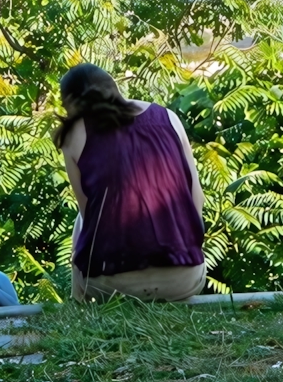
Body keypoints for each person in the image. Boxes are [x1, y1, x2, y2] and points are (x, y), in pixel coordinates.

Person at [53, 64, 207, 302]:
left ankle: (78, 303)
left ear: (71, 104)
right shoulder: (169, 118)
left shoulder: (75, 132)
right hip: (184, 281)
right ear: (114, 88)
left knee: (81, 219)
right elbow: (196, 199)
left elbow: (90, 216)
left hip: (112, 287)